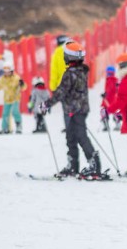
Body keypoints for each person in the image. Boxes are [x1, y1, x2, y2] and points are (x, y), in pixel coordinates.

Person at [44, 42, 101, 178]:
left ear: (69, 57)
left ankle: (94, 164)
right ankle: (73, 165)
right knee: (71, 137)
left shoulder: (70, 73)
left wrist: (46, 104)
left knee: (80, 136)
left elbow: (61, 92)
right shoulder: (81, 71)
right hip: (79, 109)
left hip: (73, 110)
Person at [0, 63, 25, 134]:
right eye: (5, 71)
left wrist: (22, 84)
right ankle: (5, 128)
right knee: (5, 114)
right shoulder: (3, 79)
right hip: (7, 99)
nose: (6, 73)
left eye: (8, 71)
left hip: (15, 98)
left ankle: (19, 126)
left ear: (11, 71)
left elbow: (23, 87)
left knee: (15, 111)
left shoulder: (16, 78)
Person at [49, 34, 72, 129]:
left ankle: (69, 127)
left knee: (66, 108)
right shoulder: (73, 50)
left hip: (62, 85)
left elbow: (54, 72)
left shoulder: (57, 53)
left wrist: (53, 87)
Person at [100, 65, 121, 131]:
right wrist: (105, 94)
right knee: (104, 111)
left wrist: (106, 94)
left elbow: (112, 88)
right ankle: (106, 124)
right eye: (108, 73)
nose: (109, 74)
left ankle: (117, 124)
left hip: (111, 99)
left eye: (110, 73)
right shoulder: (109, 79)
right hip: (108, 99)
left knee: (113, 111)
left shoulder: (113, 80)